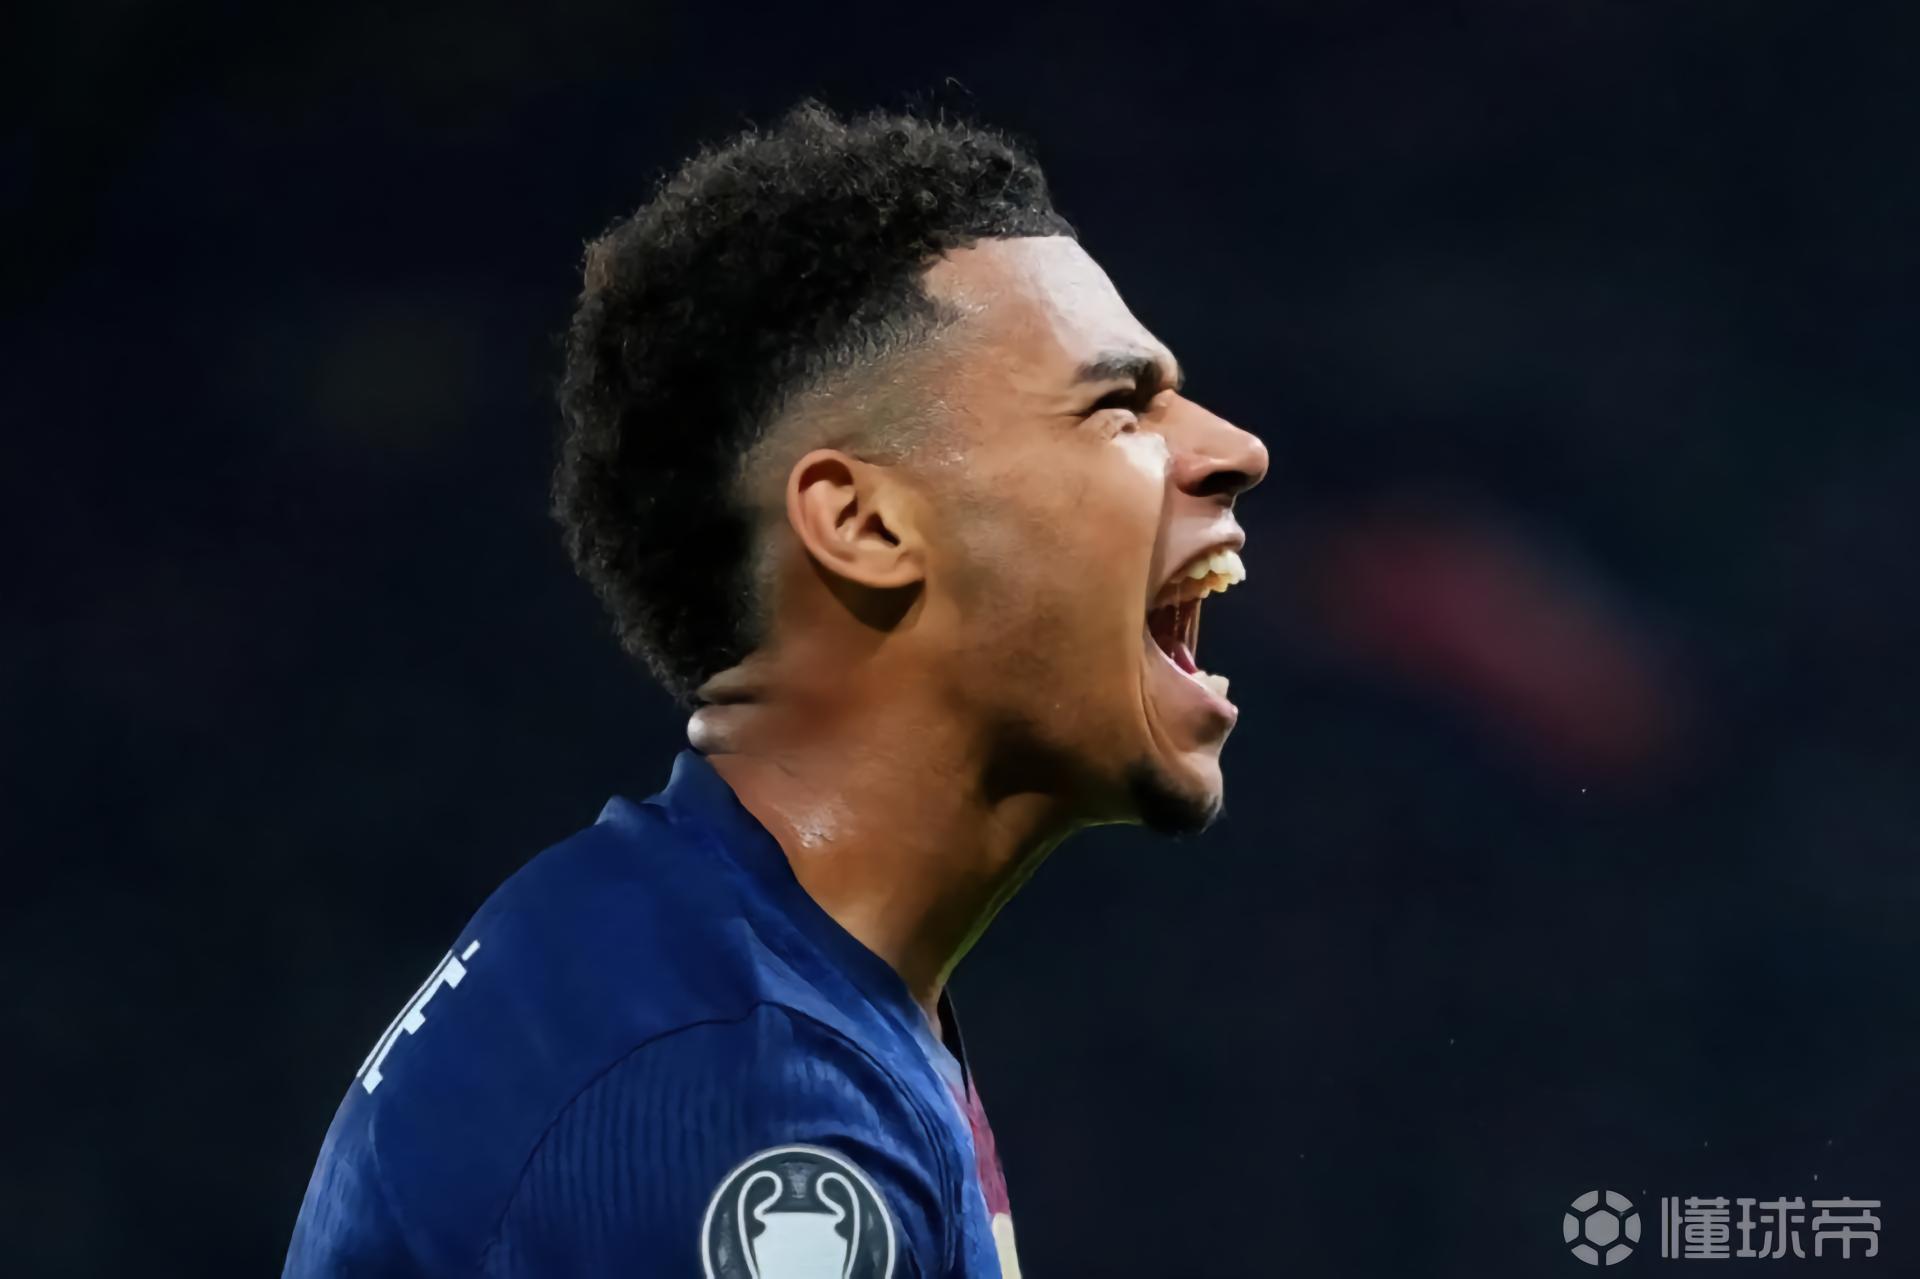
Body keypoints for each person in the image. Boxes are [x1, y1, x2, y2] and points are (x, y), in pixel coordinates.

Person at [284, 100, 1267, 1279]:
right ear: (863, 523)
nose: (1234, 447)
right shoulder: (742, 1100)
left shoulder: (724, 972)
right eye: (1118, 406)